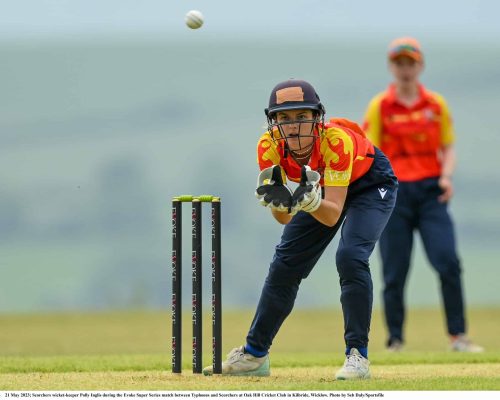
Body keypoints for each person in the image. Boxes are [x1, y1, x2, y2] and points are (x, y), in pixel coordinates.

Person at [203, 79, 398, 379]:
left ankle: (357, 357)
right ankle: (255, 355)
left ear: (316, 118)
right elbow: (284, 220)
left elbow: (331, 215)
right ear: (274, 121)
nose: (293, 126)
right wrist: (281, 203)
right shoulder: (268, 146)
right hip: (321, 190)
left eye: (301, 117)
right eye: (284, 118)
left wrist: (309, 201)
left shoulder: (335, 142)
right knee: (286, 262)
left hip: (370, 184)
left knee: (350, 257)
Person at [362, 37, 483, 352]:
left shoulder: (435, 105)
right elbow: (370, 151)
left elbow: (448, 146)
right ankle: (395, 340)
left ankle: (458, 336)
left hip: (431, 192)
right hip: (395, 194)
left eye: (410, 63)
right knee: (394, 269)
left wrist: (446, 176)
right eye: (399, 63)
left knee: (448, 262)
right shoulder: (380, 106)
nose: (405, 69)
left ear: (420, 66)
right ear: (392, 67)